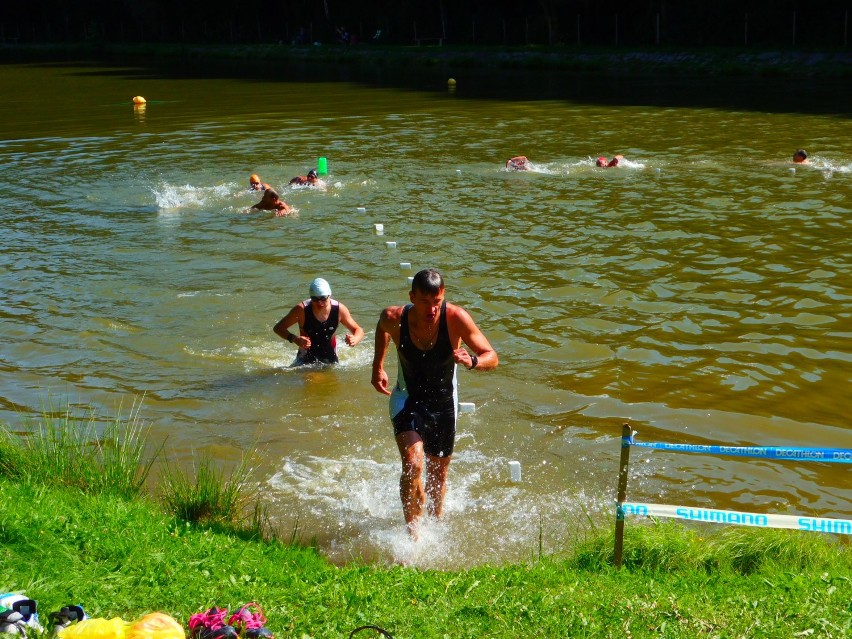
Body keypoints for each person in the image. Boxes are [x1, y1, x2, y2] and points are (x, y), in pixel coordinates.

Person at [371, 268, 498, 539]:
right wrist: (377, 366)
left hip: (443, 402)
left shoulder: (455, 318)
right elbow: (381, 327)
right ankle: (412, 536)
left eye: (437, 302)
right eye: (425, 302)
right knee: (413, 463)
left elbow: (492, 356)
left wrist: (473, 361)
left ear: (443, 297)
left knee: (437, 475)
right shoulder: (395, 318)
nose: (432, 309)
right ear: (412, 297)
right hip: (407, 398)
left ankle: (436, 525)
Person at [273, 278, 364, 365]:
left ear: (329, 295)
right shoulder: (301, 310)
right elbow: (278, 328)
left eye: (323, 298)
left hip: (330, 356)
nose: (320, 303)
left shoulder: (339, 309)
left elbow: (358, 330)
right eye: (315, 299)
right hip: (305, 359)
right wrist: (294, 339)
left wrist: (355, 339)